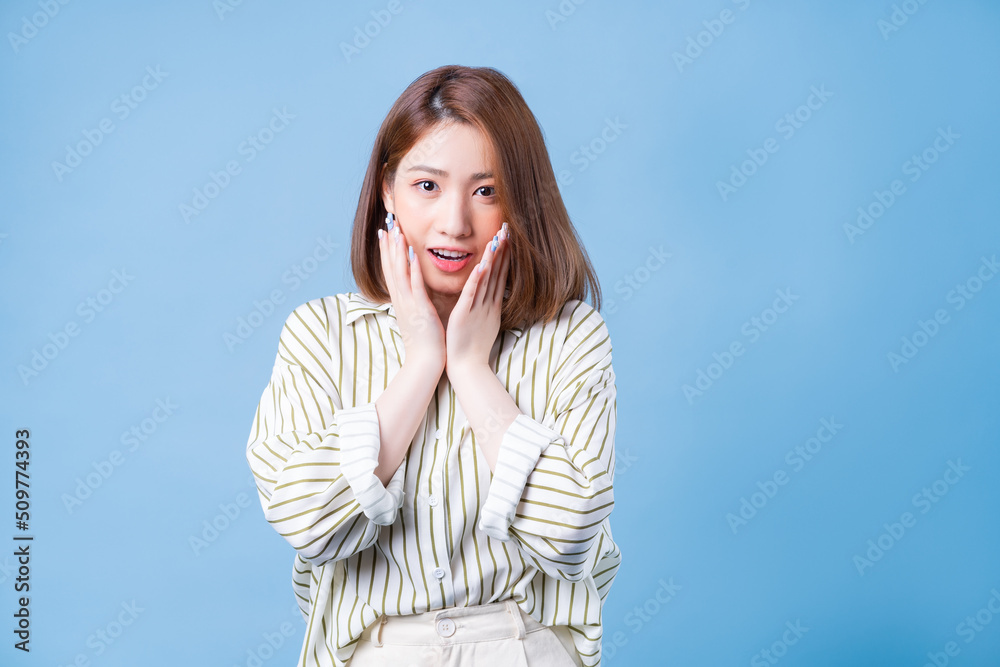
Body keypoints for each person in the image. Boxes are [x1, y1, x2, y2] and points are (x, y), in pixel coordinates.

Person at [246, 64, 620, 667]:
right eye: (427, 186)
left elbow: (570, 532)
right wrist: (423, 360)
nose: (454, 223)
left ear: (522, 202)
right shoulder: (319, 333)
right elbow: (311, 525)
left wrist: (471, 369)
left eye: (486, 190)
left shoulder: (569, 337)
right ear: (387, 190)